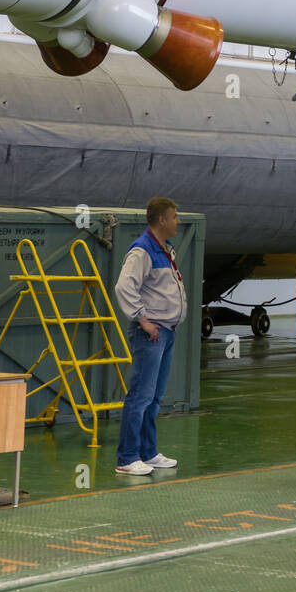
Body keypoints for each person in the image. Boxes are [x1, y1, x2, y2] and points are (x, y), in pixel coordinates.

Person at [114, 197, 187, 475]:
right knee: (140, 396)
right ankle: (127, 457)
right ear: (161, 220)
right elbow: (124, 287)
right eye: (174, 217)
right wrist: (143, 320)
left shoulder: (165, 249)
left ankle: (148, 451)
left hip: (166, 331)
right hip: (152, 333)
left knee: (154, 396)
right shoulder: (142, 251)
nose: (178, 221)